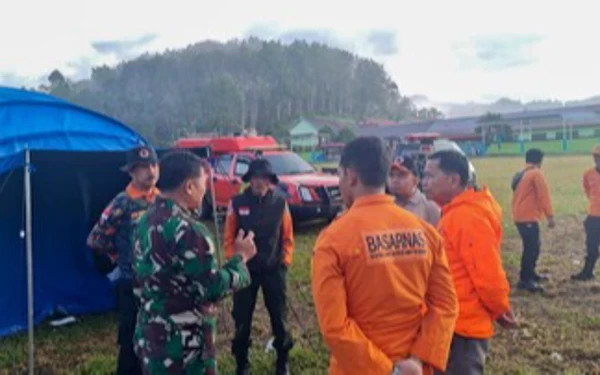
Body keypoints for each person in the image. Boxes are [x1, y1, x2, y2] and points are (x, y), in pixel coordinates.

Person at [312, 136, 458, 375]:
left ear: (351, 176)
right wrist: (420, 359)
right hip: (414, 367)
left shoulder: (333, 240)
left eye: (340, 176)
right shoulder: (426, 233)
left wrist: (389, 371)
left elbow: (335, 327)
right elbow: (445, 303)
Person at [133, 150, 257, 374]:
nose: (205, 190)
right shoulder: (189, 231)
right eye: (203, 183)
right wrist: (240, 259)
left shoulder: (143, 221)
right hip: (182, 346)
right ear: (189, 187)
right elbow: (211, 288)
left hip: (151, 336)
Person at [422, 150, 515, 375]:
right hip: (451, 321)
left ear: (453, 180)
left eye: (430, 176)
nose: (424, 183)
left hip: (463, 325)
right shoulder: (455, 213)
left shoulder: (467, 217)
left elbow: (488, 275)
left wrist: (500, 308)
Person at [87, 145, 160, 375]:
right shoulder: (122, 202)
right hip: (132, 284)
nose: (150, 171)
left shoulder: (161, 199)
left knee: (157, 340)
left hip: (159, 284)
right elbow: (96, 239)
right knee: (130, 342)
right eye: (142, 168)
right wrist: (121, 257)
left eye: (153, 165)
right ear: (131, 172)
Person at [224, 158, 295, 375]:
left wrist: (285, 262)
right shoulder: (236, 202)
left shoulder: (281, 203)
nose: (259, 182)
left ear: (270, 181)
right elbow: (228, 237)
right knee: (242, 318)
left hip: (274, 268)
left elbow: (288, 236)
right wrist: (234, 262)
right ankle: (242, 363)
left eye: (263, 178)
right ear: (250, 179)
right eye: (255, 177)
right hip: (245, 271)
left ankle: (282, 360)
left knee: (279, 317)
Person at [511, 148, 555, 292]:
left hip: (519, 215)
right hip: (528, 216)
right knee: (532, 248)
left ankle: (530, 274)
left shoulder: (521, 174)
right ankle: (525, 280)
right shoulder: (536, 173)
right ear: (540, 160)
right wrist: (550, 216)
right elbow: (544, 195)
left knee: (532, 246)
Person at [572, 144, 600, 281]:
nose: (598, 160)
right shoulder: (588, 174)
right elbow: (588, 191)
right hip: (594, 216)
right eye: (596, 157)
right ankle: (588, 272)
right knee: (591, 246)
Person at [388, 155, 440, 226]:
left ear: (415, 180)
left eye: (402, 175)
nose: (395, 180)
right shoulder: (386, 204)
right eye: (391, 175)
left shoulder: (429, 206)